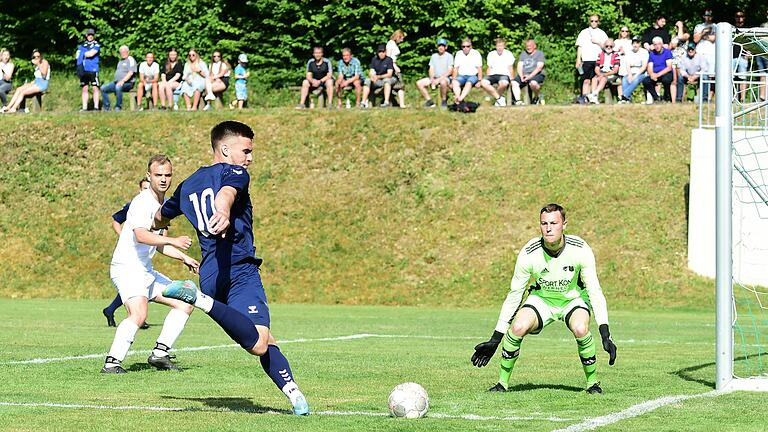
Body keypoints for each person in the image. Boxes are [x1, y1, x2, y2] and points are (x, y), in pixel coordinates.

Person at [156, 120, 310, 416]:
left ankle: (295, 395)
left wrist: (159, 224)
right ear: (225, 149)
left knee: (266, 341)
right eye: (246, 150)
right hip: (238, 268)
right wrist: (223, 210)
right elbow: (227, 191)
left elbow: (161, 216)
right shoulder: (235, 172)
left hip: (211, 274)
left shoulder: (188, 184)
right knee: (258, 343)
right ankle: (197, 299)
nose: (250, 158)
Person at [471, 204, 617, 394]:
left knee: (581, 329)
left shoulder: (580, 249)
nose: (549, 228)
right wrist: (496, 337)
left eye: (554, 223)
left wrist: (605, 333)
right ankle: (502, 384)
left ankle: (593, 384)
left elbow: (594, 291)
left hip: (572, 299)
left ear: (564, 224)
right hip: (542, 300)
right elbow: (515, 294)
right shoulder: (529, 253)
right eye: (544, 223)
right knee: (517, 327)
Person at [102, 155, 199, 374]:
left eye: (167, 175)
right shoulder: (142, 202)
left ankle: (160, 354)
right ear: (149, 176)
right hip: (127, 268)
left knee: (185, 302)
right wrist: (172, 239)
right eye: (158, 175)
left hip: (144, 270)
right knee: (138, 314)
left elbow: (157, 243)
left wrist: (183, 257)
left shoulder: (161, 204)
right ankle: (111, 363)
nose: (163, 179)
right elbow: (141, 236)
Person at [102, 179, 153, 328]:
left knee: (140, 284)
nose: (147, 191)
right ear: (139, 190)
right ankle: (136, 316)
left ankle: (112, 310)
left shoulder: (157, 206)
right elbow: (116, 220)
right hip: (130, 256)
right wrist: (123, 236)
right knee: (135, 285)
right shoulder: (134, 205)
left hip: (144, 255)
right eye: (144, 188)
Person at [575, 15, 608, 103]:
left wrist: (597, 42)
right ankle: (585, 96)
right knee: (586, 79)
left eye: (596, 21)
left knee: (595, 79)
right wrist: (578, 59)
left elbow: (607, 47)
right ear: (589, 22)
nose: (594, 23)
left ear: (598, 22)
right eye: (592, 21)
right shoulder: (584, 32)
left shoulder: (602, 33)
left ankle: (593, 97)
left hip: (598, 59)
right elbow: (579, 46)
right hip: (586, 59)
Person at [415, 38, 453, 108]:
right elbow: (431, 68)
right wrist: (432, 79)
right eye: (439, 46)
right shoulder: (434, 56)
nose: (441, 47)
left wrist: (439, 80)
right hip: (434, 77)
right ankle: (430, 101)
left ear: (446, 47)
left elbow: (450, 71)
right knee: (419, 83)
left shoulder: (449, 56)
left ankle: (444, 101)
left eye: (442, 46)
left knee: (443, 82)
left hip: (445, 78)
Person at [480, 38, 515, 107]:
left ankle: (497, 99)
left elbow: (510, 67)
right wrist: (487, 76)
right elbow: (489, 68)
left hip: (504, 74)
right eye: (498, 46)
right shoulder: (491, 54)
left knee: (504, 83)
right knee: (483, 82)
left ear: (504, 46)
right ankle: (499, 98)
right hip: (493, 74)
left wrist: (512, 78)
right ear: (496, 46)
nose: (499, 48)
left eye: (501, 46)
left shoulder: (508, 54)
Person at [100, 45, 136, 112]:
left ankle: (118, 107)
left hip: (128, 83)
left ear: (128, 52)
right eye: (121, 52)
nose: (123, 53)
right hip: (117, 82)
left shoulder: (130, 59)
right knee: (103, 88)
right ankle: (107, 107)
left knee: (118, 87)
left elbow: (131, 73)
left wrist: (123, 81)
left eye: (124, 52)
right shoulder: (120, 61)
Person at [511, 39, 545, 105]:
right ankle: (518, 101)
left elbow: (539, 68)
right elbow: (519, 66)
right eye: (527, 46)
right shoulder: (523, 54)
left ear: (534, 46)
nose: (528, 47)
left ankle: (536, 97)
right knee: (514, 82)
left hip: (536, 74)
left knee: (533, 83)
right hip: (524, 75)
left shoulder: (540, 54)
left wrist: (529, 77)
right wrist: (521, 76)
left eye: (530, 46)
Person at [587, 39, 620, 104]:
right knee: (594, 79)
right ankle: (594, 98)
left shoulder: (616, 55)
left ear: (613, 47)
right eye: (607, 46)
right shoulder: (600, 54)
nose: (608, 47)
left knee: (603, 79)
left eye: (610, 46)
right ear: (604, 46)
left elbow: (615, 70)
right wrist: (599, 74)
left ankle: (594, 94)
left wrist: (604, 75)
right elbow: (596, 68)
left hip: (611, 74)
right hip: (601, 73)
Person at [643, 36, 674, 103]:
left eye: (659, 44)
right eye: (655, 44)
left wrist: (657, 75)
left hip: (665, 73)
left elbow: (669, 67)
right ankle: (656, 98)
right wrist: (652, 74)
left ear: (662, 44)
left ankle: (666, 97)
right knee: (646, 81)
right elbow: (650, 66)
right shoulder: (652, 54)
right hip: (655, 74)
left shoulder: (667, 52)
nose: (657, 46)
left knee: (666, 80)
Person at [76, 28, 101, 111]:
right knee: (85, 88)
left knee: (95, 87)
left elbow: (91, 54)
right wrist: (84, 54)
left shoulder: (96, 45)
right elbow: (77, 55)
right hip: (84, 69)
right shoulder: (82, 45)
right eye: (89, 35)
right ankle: (84, 107)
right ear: (86, 36)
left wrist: (84, 54)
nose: (90, 36)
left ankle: (96, 107)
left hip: (93, 69)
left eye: (92, 35)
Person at [619, 36, 649, 103]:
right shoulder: (629, 52)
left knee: (636, 80)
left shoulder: (644, 52)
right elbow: (628, 65)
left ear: (640, 44)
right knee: (624, 79)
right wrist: (630, 75)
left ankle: (624, 96)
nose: (635, 45)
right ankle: (627, 98)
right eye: (634, 43)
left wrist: (635, 76)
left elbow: (644, 67)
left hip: (641, 73)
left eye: (637, 43)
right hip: (631, 71)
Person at [452, 38, 483, 103]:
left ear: (471, 46)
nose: (465, 48)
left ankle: (460, 99)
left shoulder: (476, 53)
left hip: (473, 76)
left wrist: (480, 81)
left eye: (468, 46)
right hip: (462, 76)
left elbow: (479, 68)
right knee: (455, 82)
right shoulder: (459, 53)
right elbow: (455, 68)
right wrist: (453, 79)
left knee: (469, 83)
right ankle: (458, 97)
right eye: (463, 46)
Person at [387, 30, 407, 108]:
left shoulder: (394, 44)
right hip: (392, 66)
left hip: (394, 65)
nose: (402, 40)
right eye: (402, 38)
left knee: (399, 85)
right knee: (400, 85)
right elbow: (389, 57)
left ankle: (400, 103)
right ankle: (401, 104)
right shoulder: (390, 44)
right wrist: (394, 66)